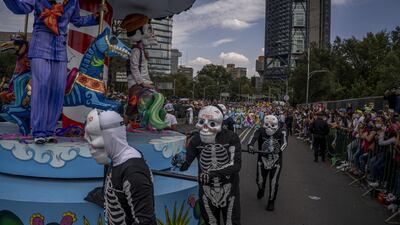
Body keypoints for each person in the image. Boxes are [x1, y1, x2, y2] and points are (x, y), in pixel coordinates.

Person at [3, 0, 104, 144]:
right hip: (40, 49)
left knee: (57, 90)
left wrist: (97, 16)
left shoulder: (72, 2)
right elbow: (21, 8)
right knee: (41, 87)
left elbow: (77, 20)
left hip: (59, 51)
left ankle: (49, 131)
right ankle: (38, 131)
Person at [85, 109, 157, 225]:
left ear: (111, 136)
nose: (92, 144)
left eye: (95, 138)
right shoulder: (116, 160)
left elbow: (146, 221)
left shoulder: (134, 172)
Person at [173, 105, 242, 225]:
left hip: (229, 190)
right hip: (206, 190)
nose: (205, 128)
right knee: (211, 222)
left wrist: (212, 173)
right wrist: (178, 158)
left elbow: (236, 165)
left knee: (231, 222)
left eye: (212, 123)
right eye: (201, 122)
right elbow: (185, 165)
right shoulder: (196, 140)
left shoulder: (231, 137)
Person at [248, 115, 287, 211]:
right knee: (260, 181)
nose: (269, 127)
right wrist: (250, 146)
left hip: (276, 160)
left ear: (276, 124)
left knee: (274, 182)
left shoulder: (282, 131)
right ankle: (261, 189)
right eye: (266, 125)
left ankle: (271, 201)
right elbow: (253, 138)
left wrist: (278, 150)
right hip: (262, 159)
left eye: (272, 125)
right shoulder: (260, 130)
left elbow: (284, 143)